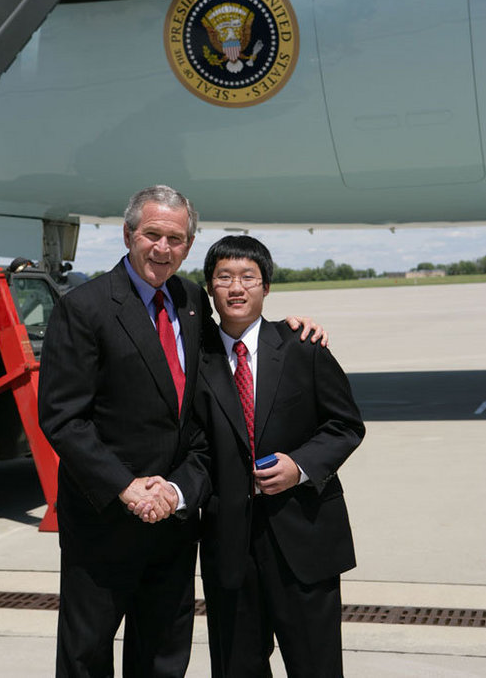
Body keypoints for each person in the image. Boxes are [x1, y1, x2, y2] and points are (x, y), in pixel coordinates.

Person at [38, 185, 325, 678]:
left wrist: (287, 329)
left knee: (164, 655)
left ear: (188, 245)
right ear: (129, 235)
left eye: (176, 238)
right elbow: (63, 418)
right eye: (152, 234)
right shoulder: (84, 307)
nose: (162, 248)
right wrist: (127, 487)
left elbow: (223, 366)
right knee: (86, 655)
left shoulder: (192, 301)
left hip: (173, 520)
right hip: (104, 519)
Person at [194, 235, 365, 678]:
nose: (236, 288)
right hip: (229, 546)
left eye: (248, 277)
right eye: (224, 277)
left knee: (316, 667)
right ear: (209, 288)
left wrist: (300, 466)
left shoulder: (302, 346)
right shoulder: (197, 358)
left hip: (304, 540)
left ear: (266, 287)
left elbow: (345, 425)